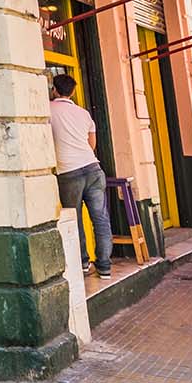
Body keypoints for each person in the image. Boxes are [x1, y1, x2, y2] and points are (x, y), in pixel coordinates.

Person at [49, 73, 111, 278]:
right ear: (73, 92)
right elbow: (92, 144)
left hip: (68, 172)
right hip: (93, 168)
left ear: (54, 90)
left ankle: (83, 263)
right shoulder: (84, 113)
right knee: (100, 219)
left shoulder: (47, 110)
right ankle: (104, 267)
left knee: (74, 220)